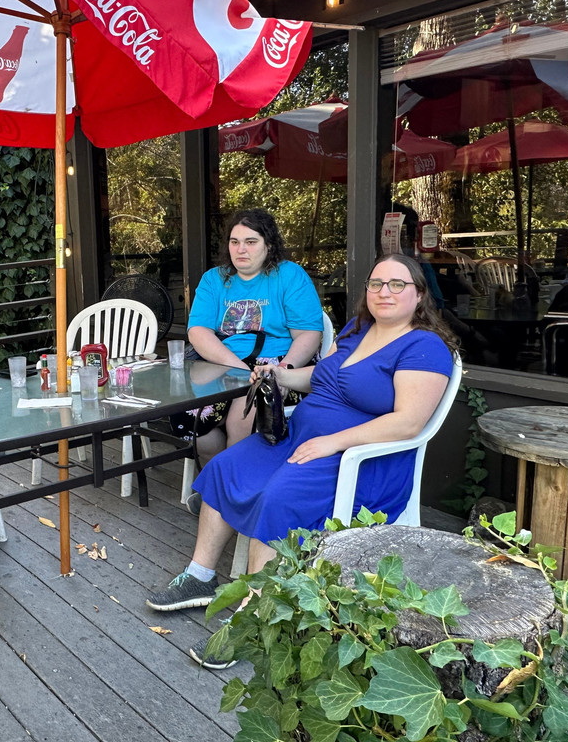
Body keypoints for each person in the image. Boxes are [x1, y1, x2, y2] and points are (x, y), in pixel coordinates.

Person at [148, 255, 456, 668]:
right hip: (301, 438)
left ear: (419, 294)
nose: (384, 292)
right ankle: (200, 576)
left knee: (278, 495)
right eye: (376, 283)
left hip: (360, 460)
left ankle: (253, 617)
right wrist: (278, 374)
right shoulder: (357, 328)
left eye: (397, 284)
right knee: (226, 466)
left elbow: (408, 423)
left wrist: (333, 442)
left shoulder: (425, 347)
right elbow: (320, 377)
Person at [178, 209, 323, 463]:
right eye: (234, 242)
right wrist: (237, 369)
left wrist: (284, 372)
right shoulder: (214, 279)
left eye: (251, 242)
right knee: (188, 418)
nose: (241, 249)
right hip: (224, 362)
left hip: (277, 364)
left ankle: (234, 479)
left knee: (242, 418)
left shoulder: (289, 275)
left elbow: (308, 334)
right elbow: (198, 332)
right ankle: (223, 473)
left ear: (269, 245)